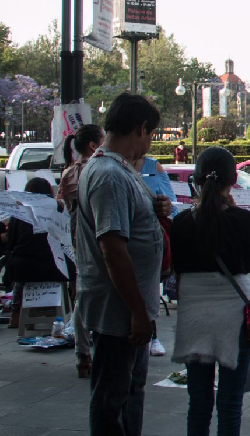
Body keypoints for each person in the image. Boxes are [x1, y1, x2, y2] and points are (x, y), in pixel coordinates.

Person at [74, 93, 171, 436]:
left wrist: (155, 210)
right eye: (151, 134)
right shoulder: (109, 175)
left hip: (129, 308)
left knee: (129, 390)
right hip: (119, 311)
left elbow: (128, 221)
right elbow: (112, 250)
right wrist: (137, 313)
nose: (149, 143)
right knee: (112, 396)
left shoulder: (119, 169)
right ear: (141, 128)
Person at [171, 147, 250, 436]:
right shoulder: (242, 219)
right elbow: (247, 265)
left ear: (196, 181)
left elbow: (178, 266)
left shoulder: (181, 222)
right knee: (230, 403)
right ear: (233, 180)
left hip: (194, 315)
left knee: (198, 403)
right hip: (233, 315)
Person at [57, 123, 105, 378]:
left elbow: (62, 202)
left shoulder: (68, 172)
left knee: (82, 293)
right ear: (93, 145)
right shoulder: (96, 169)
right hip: (97, 231)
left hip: (76, 233)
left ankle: (82, 354)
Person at [6, 179, 74, 330]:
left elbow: (11, 243)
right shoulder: (59, 208)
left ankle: (16, 314)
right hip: (56, 267)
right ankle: (70, 308)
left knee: (20, 273)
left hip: (24, 269)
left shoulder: (20, 211)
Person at [133, 154, 176, 357]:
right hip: (123, 238)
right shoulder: (111, 165)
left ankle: (153, 335)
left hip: (150, 239)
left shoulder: (153, 166)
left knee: (148, 288)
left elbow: (171, 203)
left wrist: (166, 207)